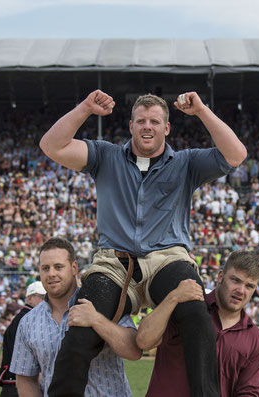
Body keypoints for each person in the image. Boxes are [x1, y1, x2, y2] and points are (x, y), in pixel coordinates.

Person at [39, 90, 246, 396]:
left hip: (168, 259)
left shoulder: (187, 162)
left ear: (167, 128)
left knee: (195, 315)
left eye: (154, 121)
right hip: (113, 262)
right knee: (80, 327)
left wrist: (201, 110)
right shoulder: (106, 156)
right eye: (141, 121)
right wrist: (84, 108)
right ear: (131, 126)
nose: (147, 126)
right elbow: (51, 146)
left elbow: (235, 154)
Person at [9, 237, 142, 397]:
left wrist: (96, 319)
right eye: (45, 268)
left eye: (58, 267)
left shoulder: (103, 301)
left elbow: (134, 350)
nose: (51, 274)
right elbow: (25, 378)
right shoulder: (28, 322)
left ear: (74, 268)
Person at [137, 250, 259, 397]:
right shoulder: (187, 305)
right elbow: (143, 341)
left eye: (249, 286)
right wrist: (173, 298)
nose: (241, 290)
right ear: (220, 277)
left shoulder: (254, 338)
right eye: (235, 280)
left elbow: (248, 392)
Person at [0, 281, 46, 397]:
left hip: (11, 384)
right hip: (23, 385)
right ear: (29, 299)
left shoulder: (19, 319)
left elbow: (1, 357)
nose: (47, 301)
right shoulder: (30, 319)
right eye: (42, 297)